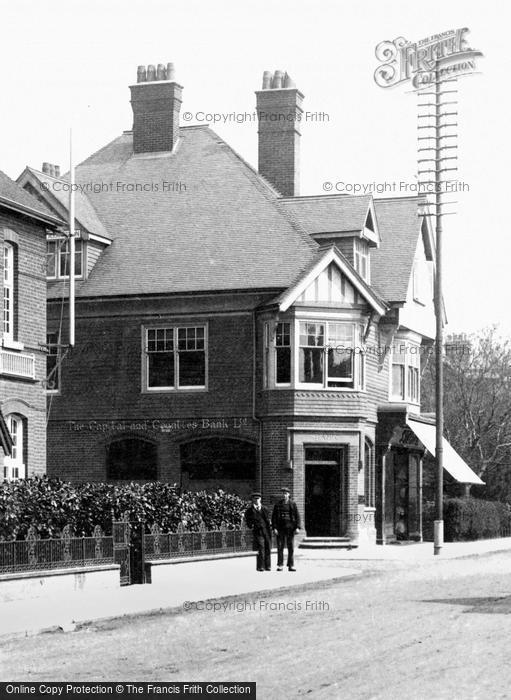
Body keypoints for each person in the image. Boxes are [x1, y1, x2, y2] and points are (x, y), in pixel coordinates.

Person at [272, 487, 301, 571]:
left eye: (286, 493)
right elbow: (274, 517)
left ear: (289, 494)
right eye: (283, 493)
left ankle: (291, 565)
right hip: (280, 529)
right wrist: (274, 528)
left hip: (290, 529)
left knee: (290, 547)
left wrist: (298, 527)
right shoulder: (278, 504)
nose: (284, 495)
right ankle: (280, 565)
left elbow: (297, 516)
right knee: (280, 547)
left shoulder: (293, 504)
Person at [244, 492, 272, 572]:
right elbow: (248, 520)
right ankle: (261, 566)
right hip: (258, 531)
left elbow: (268, 518)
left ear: (260, 499)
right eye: (255, 499)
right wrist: (251, 525)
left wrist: (270, 525)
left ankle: (268, 566)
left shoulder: (265, 509)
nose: (257, 500)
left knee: (268, 548)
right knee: (261, 548)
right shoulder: (249, 510)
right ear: (252, 500)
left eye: (258, 498)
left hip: (266, 531)